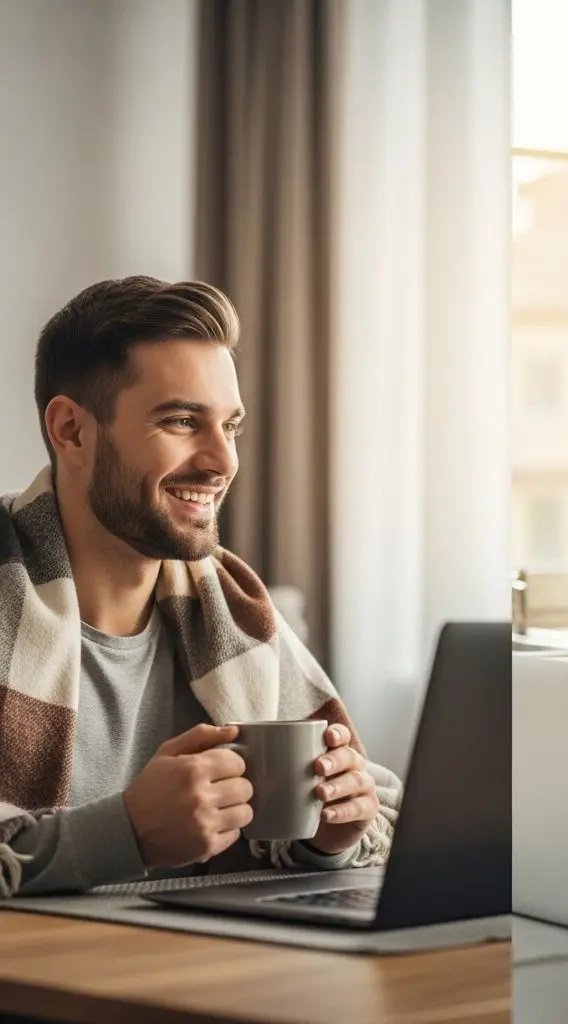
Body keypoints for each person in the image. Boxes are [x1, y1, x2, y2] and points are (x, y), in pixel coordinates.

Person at [0, 277, 400, 898]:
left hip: (215, 953)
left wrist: (328, 840)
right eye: (183, 421)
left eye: (230, 426)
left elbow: (382, 814)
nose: (223, 461)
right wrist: (125, 834)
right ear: (72, 430)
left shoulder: (231, 605)